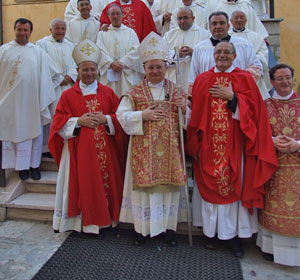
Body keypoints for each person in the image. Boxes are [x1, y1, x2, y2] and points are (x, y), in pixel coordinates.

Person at [187, 41, 278, 257]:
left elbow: (255, 114)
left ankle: (235, 238)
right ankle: (212, 234)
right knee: (210, 188)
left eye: (226, 52)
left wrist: (233, 98)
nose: (222, 56)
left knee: (235, 188)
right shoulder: (202, 80)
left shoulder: (245, 78)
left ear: (235, 55)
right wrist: (195, 143)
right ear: (213, 55)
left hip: (236, 144)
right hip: (209, 146)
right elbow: (195, 115)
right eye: (218, 52)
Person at [49, 39, 127, 234]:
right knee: (83, 184)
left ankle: (107, 220)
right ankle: (82, 223)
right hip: (79, 151)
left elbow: (121, 118)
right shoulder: (68, 95)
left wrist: (107, 118)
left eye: (93, 69)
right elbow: (58, 122)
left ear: (98, 71)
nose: (89, 73)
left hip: (106, 152)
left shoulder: (108, 93)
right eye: (85, 70)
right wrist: (78, 121)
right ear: (78, 71)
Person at [117, 32, 187, 246]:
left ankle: (168, 229)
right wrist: (141, 116)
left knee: (168, 193)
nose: (155, 71)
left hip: (170, 152)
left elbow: (188, 120)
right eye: (151, 67)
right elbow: (121, 115)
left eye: (159, 67)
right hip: (143, 152)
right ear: (144, 69)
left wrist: (185, 109)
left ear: (166, 68)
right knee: (145, 194)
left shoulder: (175, 91)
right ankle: (142, 230)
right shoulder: (134, 92)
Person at [0, 18, 57, 180]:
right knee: (12, 134)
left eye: (25, 30)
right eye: (19, 30)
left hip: (32, 102)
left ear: (30, 32)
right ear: (14, 30)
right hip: (9, 102)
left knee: (34, 135)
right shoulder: (4, 50)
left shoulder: (37, 51)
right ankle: (21, 168)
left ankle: (34, 166)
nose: (22, 33)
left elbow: (47, 75)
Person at [257, 64, 300, 267]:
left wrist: (296, 145)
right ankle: (269, 248)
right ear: (272, 82)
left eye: (288, 78)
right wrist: (271, 141)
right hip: (274, 166)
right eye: (279, 78)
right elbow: (257, 133)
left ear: (293, 79)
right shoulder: (265, 105)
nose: (284, 82)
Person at [189, 12, 263, 88]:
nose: (218, 26)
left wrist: (239, 84)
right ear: (209, 27)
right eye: (214, 24)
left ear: (228, 26)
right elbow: (193, 76)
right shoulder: (199, 48)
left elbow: (256, 68)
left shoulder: (244, 44)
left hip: (238, 93)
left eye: (222, 23)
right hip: (209, 94)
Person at [36, 19, 77, 151]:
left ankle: (67, 142)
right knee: (53, 114)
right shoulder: (42, 44)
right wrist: (59, 78)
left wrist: (71, 75)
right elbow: (45, 62)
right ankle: (49, 148)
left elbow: (76, 62)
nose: (60, 31)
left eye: (62, 29)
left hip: (68, 84)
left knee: (68, 114)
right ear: (51, 30)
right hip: (52, 85)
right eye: (57, 28)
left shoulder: (71, 45)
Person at [96, 5, 143, 97]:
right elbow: (99, 50)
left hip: (126, 72)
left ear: (122, 15)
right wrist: (111, 63)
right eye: (112, 14)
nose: (115, 16)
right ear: (108, 16)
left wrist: (122, 63)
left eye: (118, 13)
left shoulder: (130, 32)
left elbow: (135, 50)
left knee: (127, 98)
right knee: (110, 97)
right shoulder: (102, 34)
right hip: (109, 73)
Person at [164, 7, 209, 92]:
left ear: (193, 19)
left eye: (185, 18)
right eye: (179, 18)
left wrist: (194, 53)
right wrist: (176, 54)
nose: (182, 21)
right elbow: (161, 55)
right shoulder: (169, 35)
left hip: (194, 76)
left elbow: (210, 56)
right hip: (174, 78)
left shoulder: (205, 34)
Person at [229, 11, 271, 99]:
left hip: (252, 76)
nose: (239, 20)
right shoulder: (227, 37)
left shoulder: (255, 36)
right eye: (236, 18)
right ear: (231, 21)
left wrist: (250, 60)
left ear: (246, 21)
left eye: (241, 18)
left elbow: (263, 53)